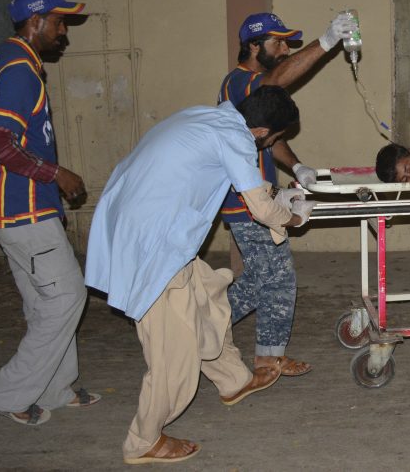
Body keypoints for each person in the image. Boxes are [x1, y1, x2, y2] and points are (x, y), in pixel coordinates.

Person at [84, 85, 316, 464]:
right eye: (275, 139)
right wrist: (294, 217)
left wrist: (277, 193)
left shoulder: (208, 116)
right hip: (153, 245)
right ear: (262, 133)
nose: (272, 144)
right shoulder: (236, 138)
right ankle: (143, 440)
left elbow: (240, 183)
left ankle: (234, 381)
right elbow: (260, 208)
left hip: (147, 228)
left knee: (206, 299)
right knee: (173, 351)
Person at [218, 12, 356, 376]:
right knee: (271, 279)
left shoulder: (252, 90)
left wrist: (296, 168)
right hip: (244, 202)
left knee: (269, 278)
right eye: (277, 42)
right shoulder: (239, 83)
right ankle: (213, 332)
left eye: (286, 43)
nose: (283, 49)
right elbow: (276, 80)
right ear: (253, 46)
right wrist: (326, 43)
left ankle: (252, 348)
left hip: (257, 196)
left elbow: (271, 140)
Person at [0, 0, 100, 426]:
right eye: (59, 23)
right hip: (24, 211)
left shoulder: (12, 60)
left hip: (20, 212)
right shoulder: (19, 69)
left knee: (44, 302)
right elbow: (0, 142)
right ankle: (9, 393)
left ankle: (56, 388)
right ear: (35, 22)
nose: (64, 34)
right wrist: (55, 174)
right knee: (66, 298)